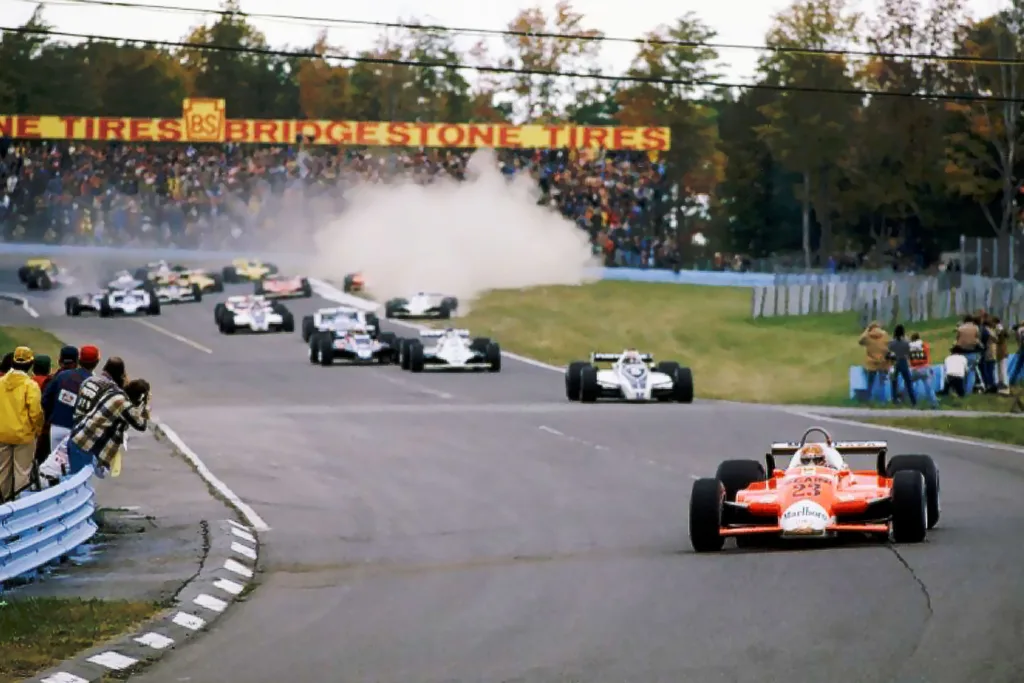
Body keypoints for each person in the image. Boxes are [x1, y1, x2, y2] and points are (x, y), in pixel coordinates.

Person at [68, 377, 150, 478]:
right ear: (140, 397)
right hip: (85, 446)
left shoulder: (115, 394)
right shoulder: (123, 405)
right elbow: (141, 425)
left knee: (79, 482)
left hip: (80, 441)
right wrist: (145, 405)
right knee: (78, 483)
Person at [68, 356, 126, 474]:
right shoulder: (111, 391)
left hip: (75, 430)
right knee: (84, 476)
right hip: (90, 439)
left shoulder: (89, 380)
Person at [0, 347, 44, 501]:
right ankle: (20, 503)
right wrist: (38, 429)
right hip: (24, 435)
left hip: (2, 433)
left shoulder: (1, 382)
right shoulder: (30, 385)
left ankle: (3, 502)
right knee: (22, 471)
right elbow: (35, 412)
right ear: (30, 363)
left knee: (3, 471)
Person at [41, 345, 98, 456]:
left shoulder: (62, 376)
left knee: (56, 465)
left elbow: (45, 400)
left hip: (57, 426)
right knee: (74, 467)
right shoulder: (95, 383)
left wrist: (51, 416)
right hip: (79, 431)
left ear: (80, 360)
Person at [858, 322, 891, 402]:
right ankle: (883, 400)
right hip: (883, 362)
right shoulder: (885, 336)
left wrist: (866, 330)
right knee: (882, 383)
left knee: (870, 383)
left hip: (871, 363)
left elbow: (860, 341)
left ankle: (869, 399)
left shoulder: (868, 337)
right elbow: (890, 346)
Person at [908, 333, 940, 409]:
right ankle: (934, 404)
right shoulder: (924, 345)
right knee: (929, 388)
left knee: (908, 384)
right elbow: (928, 354)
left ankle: (909, 400)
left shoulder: (909, 347)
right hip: (924, 368)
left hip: (914, 369)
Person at [887, 324, 916, 406]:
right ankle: (913, 400)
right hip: (903, 362)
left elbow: (888, 352)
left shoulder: (892, 343)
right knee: (908, 382)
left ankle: (894, 400)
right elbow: (909, 353)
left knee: (894, 382)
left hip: (895, 362)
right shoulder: (906, 343)